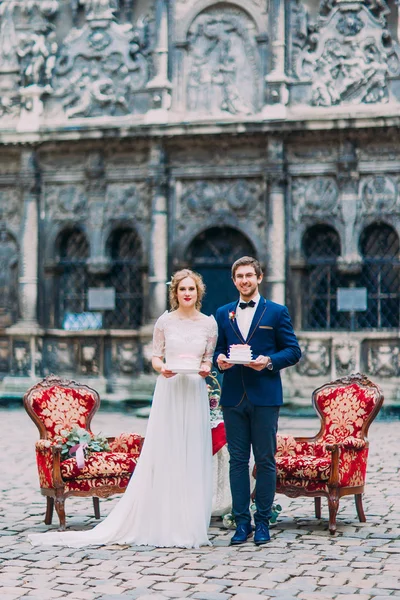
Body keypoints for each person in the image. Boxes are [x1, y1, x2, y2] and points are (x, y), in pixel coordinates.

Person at [29, 269, 217, 549]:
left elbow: (208, 360)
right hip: (170, 388)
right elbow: (155, 356)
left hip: (194, 391)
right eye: (182, 289)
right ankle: (165, 518)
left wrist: (204, 369)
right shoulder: (165, 321)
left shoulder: (208, 324)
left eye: (191, 289)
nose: (187, 293)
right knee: (168, 451)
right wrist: (162, 369)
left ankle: (190, 521)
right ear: (175, 293)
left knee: (192, 451)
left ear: (198, 292)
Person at [214, 256, 301, 546]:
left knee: (265, 460)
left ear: (259, 278)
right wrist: (220, 362)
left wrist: (269, 361)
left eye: (249, 275)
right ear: (234, 280)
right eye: (239, 276)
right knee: (237, 462)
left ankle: (263, 522)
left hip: (265, 396)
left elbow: (293, 351)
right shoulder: (222, 313)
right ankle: (242, 524)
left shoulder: (276, 312)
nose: (244, 280)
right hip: (233, 397)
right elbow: (217, 352)